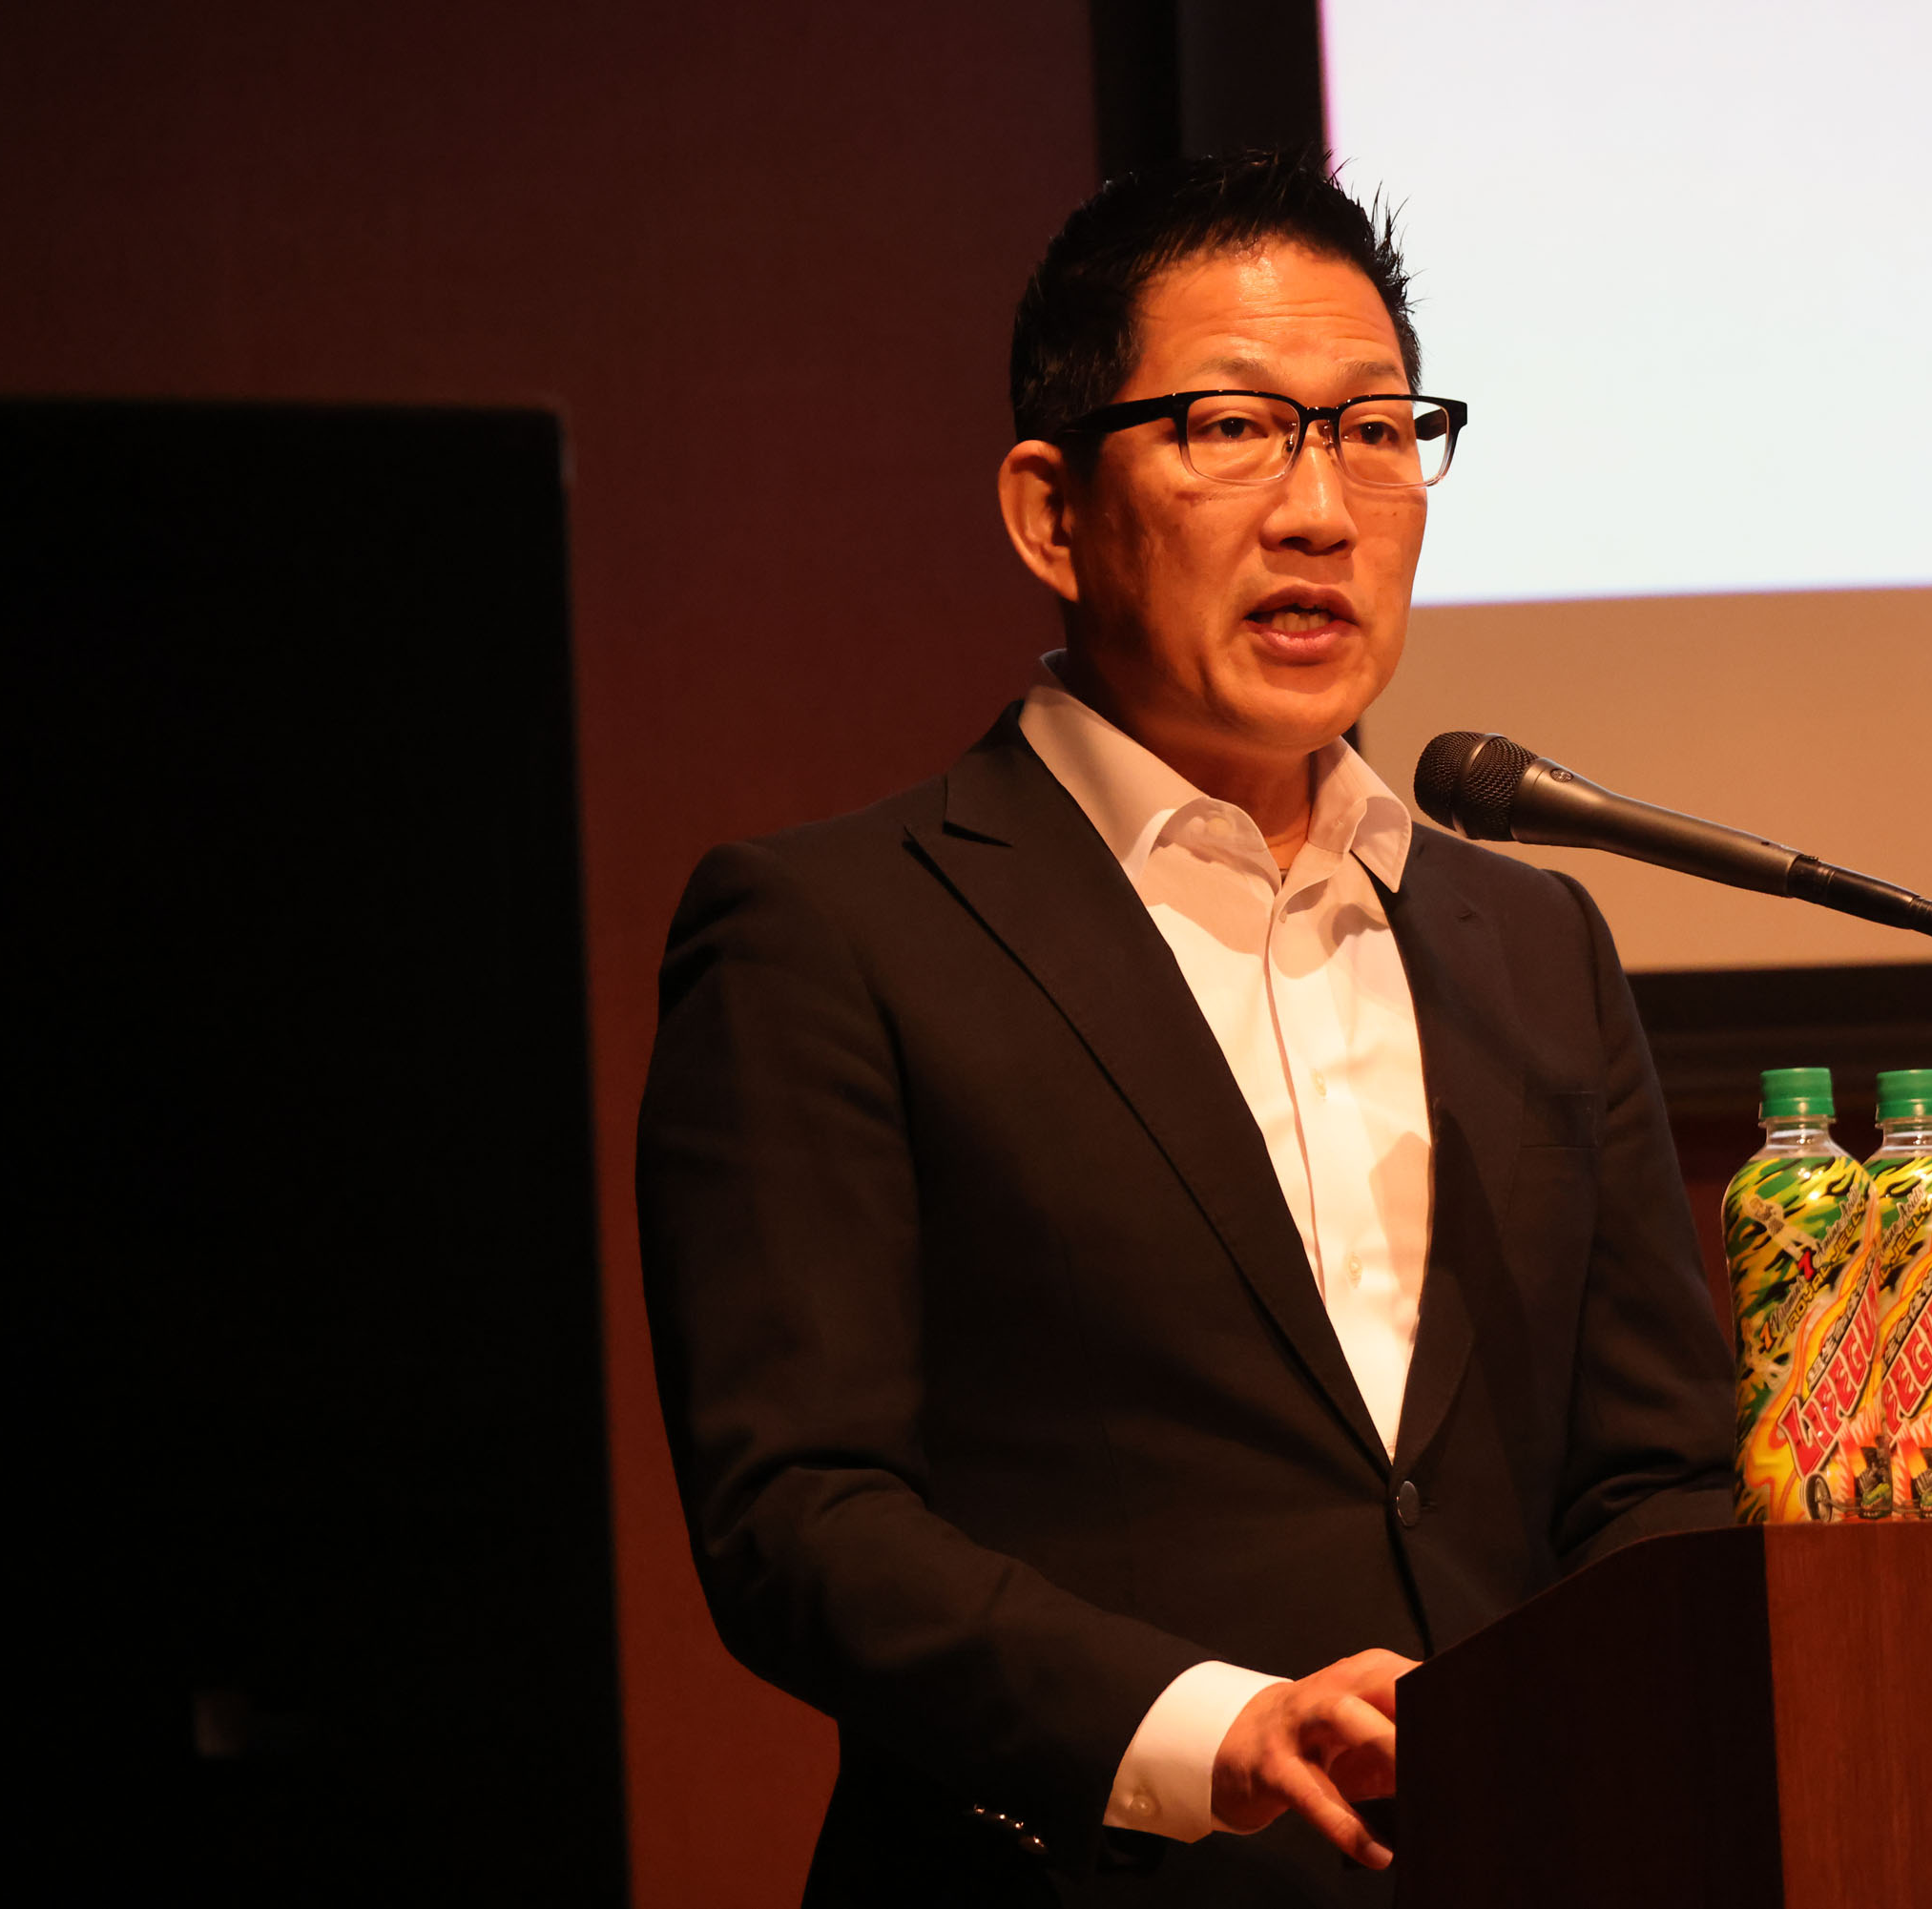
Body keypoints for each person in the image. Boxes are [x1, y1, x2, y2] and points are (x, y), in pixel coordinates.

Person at [637, 151, 1735, 1907]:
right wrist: (1211, 1729)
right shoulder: (831, 933)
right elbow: (799, 1515)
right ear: (1049, 512)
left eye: (1375, 431)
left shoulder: (1533, 942)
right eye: (1235, 428)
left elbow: (1655, 1476)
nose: (1322, 511)